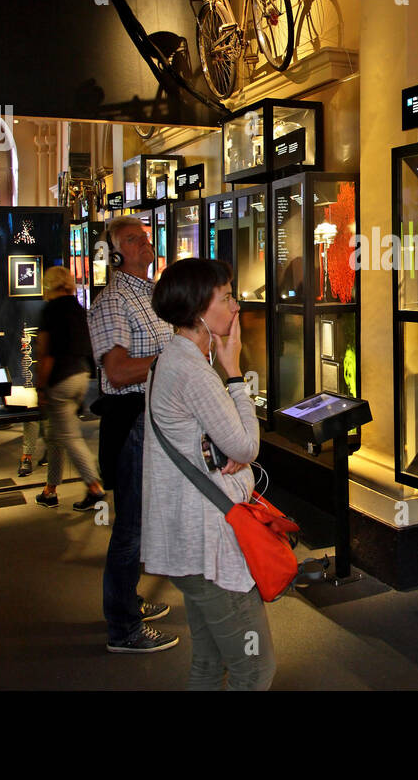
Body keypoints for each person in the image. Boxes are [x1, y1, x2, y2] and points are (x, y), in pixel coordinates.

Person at [144, 258, 273, 689]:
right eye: (227, 297)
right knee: (254, 669)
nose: (237, 306)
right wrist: (235, 372)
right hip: (207, 544)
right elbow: (245, 446)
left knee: (209, 660)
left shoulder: (175, 359)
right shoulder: (194, 370)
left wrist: (224, 447)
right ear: (200, 309)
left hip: (189, 541)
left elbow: (217, 442)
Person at [88, 215, 175, 653]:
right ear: (115, 252)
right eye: (131, 240)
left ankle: (127, 601)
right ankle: (123, 629)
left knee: (142, 523)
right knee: (131, 530)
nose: (143, 243)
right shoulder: (113, 301)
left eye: (145, 237)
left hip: (155, 421)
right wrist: (176, 359)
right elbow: (119, 372)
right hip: (131, 424)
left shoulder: (152, 296)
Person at [34, 266, 104, 509]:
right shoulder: (78, 309)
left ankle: (94, 486)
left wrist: (41, 388)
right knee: (56, 434)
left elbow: (46, 353)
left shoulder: (50, 311)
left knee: (70, 436)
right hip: (81, 376)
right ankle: (50, 489)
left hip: (60, 380)